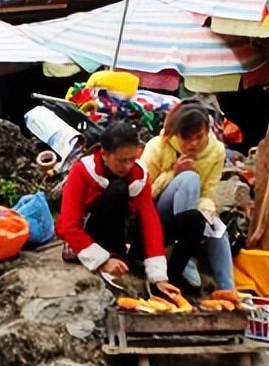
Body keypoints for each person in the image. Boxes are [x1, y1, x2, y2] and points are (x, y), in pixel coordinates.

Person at [55, 121, 181, 301]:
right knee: (118, 190)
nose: (128, 166)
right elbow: (68, 224)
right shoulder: (82, 171)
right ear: (104, 154)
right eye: (122, 160)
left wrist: (158, 276)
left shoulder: (139, 177)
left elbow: (149, 221)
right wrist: (102, 260)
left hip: (120, 233)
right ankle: (108, 257)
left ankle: (123, 257)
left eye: (132, 159)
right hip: (89, 231)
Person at [139, 98, 237, 292]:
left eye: (198, 137)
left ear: (207, 131)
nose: (192, 144)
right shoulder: (158, 146)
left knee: (219, 231)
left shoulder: (216, 151)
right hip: (159, 216)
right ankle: (184, 251)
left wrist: (207, 213)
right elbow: (141, 192)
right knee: (189, 178)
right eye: (186, 138)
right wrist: (172, 174)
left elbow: (208, 191)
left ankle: (228, 291)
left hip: (194, 210)